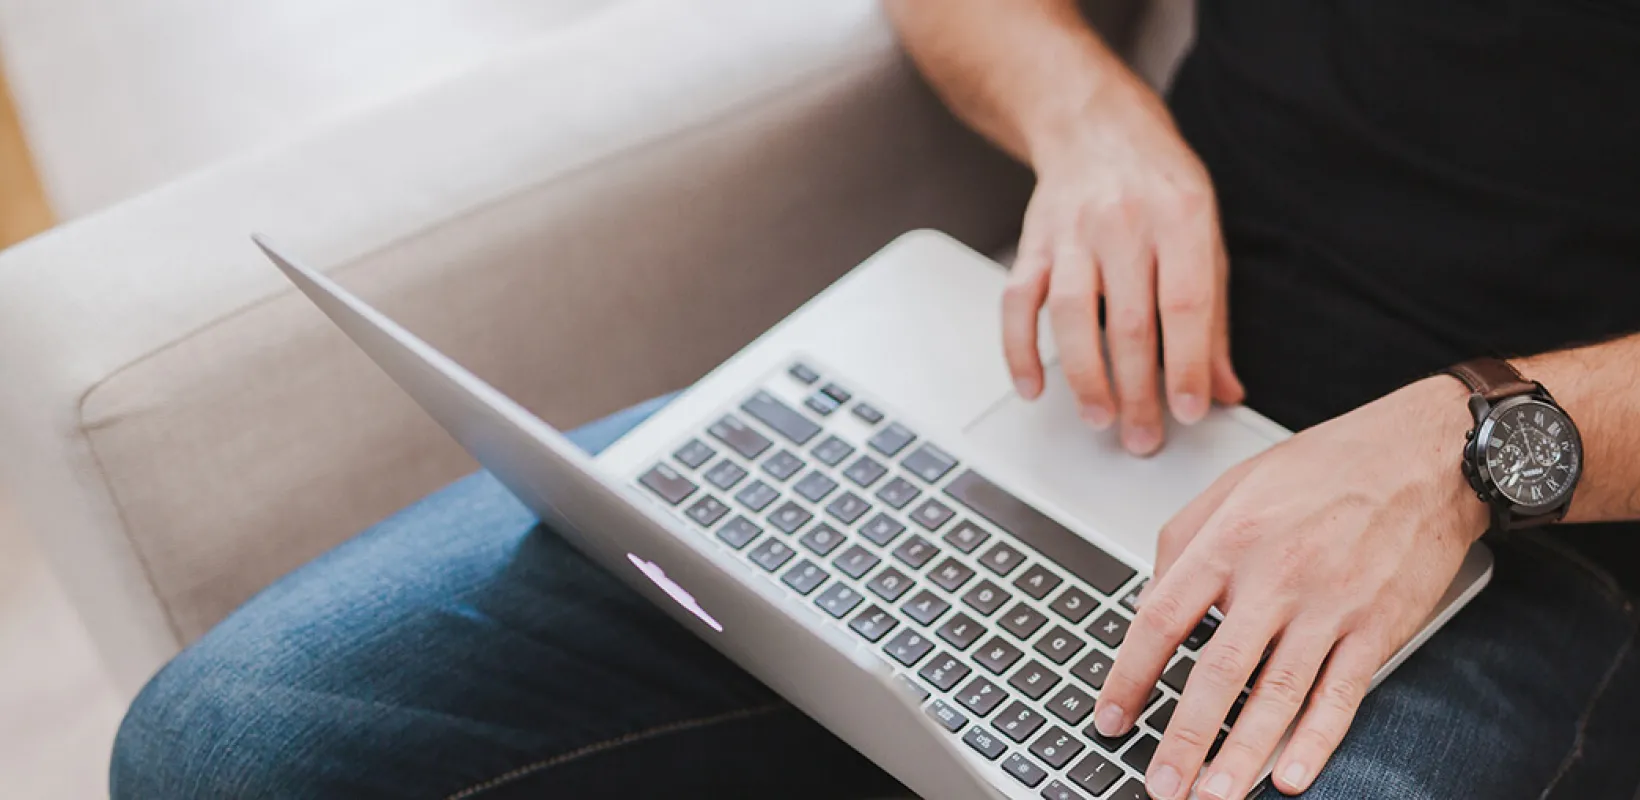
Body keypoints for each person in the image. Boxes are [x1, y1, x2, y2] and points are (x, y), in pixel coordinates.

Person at [109, 1, 1640, 798]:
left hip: (1528, 534)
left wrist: (1465, 442)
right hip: (1096, 384)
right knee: (228, 741)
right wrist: (1092, 122)